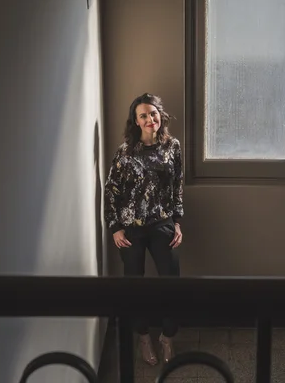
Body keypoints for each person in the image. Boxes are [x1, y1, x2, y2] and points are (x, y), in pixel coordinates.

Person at [104, 92, 184, 366]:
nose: (150, 119)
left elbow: (177, 186)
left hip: (162, 223)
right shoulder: (125, 152)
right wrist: (115, 227)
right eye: (143, 115)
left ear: (160, 115)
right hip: (132, 229)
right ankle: (143, 337)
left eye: (153, 113)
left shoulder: (173, 146)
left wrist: (177, 221)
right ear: (135, 121)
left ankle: (167, 337)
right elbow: (111, 191)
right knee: (135, 286)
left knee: (171, 284)